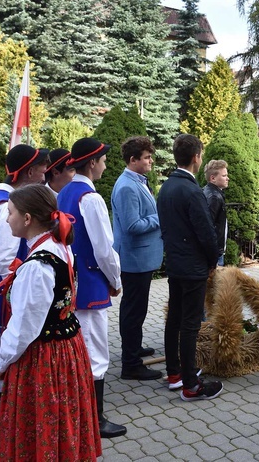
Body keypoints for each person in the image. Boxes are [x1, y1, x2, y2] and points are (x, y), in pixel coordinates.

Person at [0, 184, 101, 460]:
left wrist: (2, 362)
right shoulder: (61, 247)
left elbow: (24, 328)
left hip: (44, 356)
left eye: (11, 213)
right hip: (68, 349)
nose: (7, 219)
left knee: (43, 418)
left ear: (27, 218)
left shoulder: (37, 265)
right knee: (63, 415)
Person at [0, 144, 48, 445]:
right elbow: (3, 260)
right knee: (1, 357)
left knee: (1, 354)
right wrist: (22, 290)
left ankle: (1, 425)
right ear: (29, 171)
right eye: (42, 168)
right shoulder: (6, 204)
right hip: (3, 295)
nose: (45, 174)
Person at [58, 137, 127, 437]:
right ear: (92, 163)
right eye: (103, 160)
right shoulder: (91, 198)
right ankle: (94, 420)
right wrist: (116, 280)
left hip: (70, 280)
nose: (105, 164)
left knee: (77, 347)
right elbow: (104, 249)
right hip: (91, 281)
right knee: (96, 352)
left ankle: (77, 414)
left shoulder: (62, 193)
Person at [157, 134, 223, 401]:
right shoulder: (191, 190)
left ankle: (174, 373)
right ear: (197, 157)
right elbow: (206, 232)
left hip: (174, 262)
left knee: (175, 319)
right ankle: (190, 384)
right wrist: (211, 261)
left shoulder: (167, 187)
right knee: (190, 324)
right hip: (193, 265)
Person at [111, 136, 163, 382]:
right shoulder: (127, 186)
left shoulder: (136, 181)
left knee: (136, 307)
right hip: (134, 258)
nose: (151, 161)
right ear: (133, 160)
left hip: (139, 256)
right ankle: (131, 363)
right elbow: (133, 225)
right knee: (133, 309)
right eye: (146, 158)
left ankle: (134, 347)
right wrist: (160, 218)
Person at [203, 159, 229, 266]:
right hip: (215, 252)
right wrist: (215, 251)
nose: (228, 178)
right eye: (224, 176)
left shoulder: (209, 192)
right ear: (213, 178)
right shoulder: (214, 197)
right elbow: (209, 226)